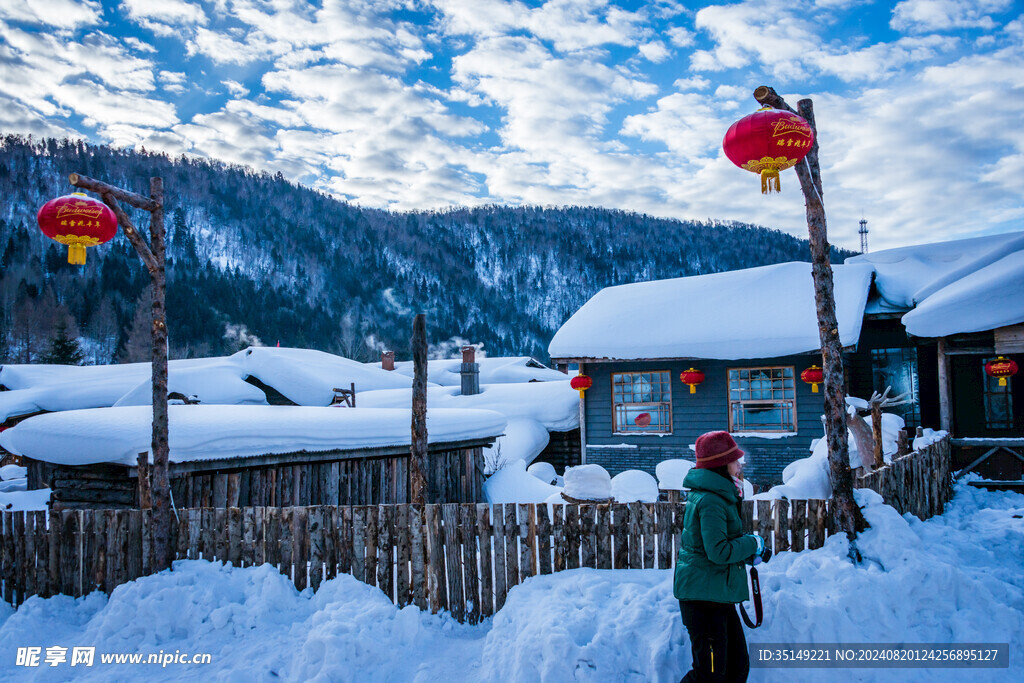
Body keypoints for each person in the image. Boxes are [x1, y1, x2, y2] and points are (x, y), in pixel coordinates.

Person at [674, 430, 772, 682]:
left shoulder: (720, 496)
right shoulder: (711, 501)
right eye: (735, 459)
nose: (740, 464)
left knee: (736, 668)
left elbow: (720, 545)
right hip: (703, 600)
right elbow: (718, 551)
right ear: (721, 464)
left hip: (716, 595)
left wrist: (750, 551)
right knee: (710, 676)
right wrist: (752, 543)